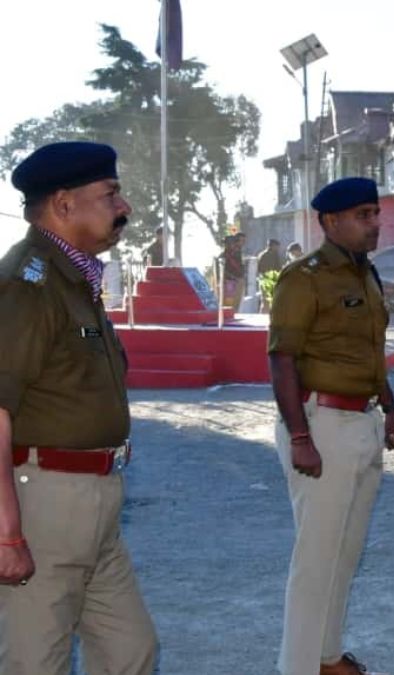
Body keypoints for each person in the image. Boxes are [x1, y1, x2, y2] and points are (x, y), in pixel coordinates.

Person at [0, 141, 157, 673]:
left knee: (130, 653)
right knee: (36, 660)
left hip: (98, 500)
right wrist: (7, 532)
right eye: (110, 193)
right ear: (64, 205)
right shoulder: (27, 286)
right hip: (45, 502)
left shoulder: (75, 281)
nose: (124, 207)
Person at [267, 177, 394, 675]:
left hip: (362, 420)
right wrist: (300, 437)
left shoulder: (364, 274)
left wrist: (390, 409)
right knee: (315, 560)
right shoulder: (303, 278)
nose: (375, 223)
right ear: (330, 222)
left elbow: (369, 353)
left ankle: (325, 657)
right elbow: (281, 359)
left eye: (375, 213)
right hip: (320, 423)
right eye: (363, 215)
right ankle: (297, 667)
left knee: (344, 555)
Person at [221, 233, 246, 309]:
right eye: (228, 243)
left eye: (232, 243)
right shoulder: (224, 255)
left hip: (238, 280)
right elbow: (223, 270)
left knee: (236, 303)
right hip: (230, 281)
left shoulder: (237, 253)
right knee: (228, 304)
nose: (230, 245)